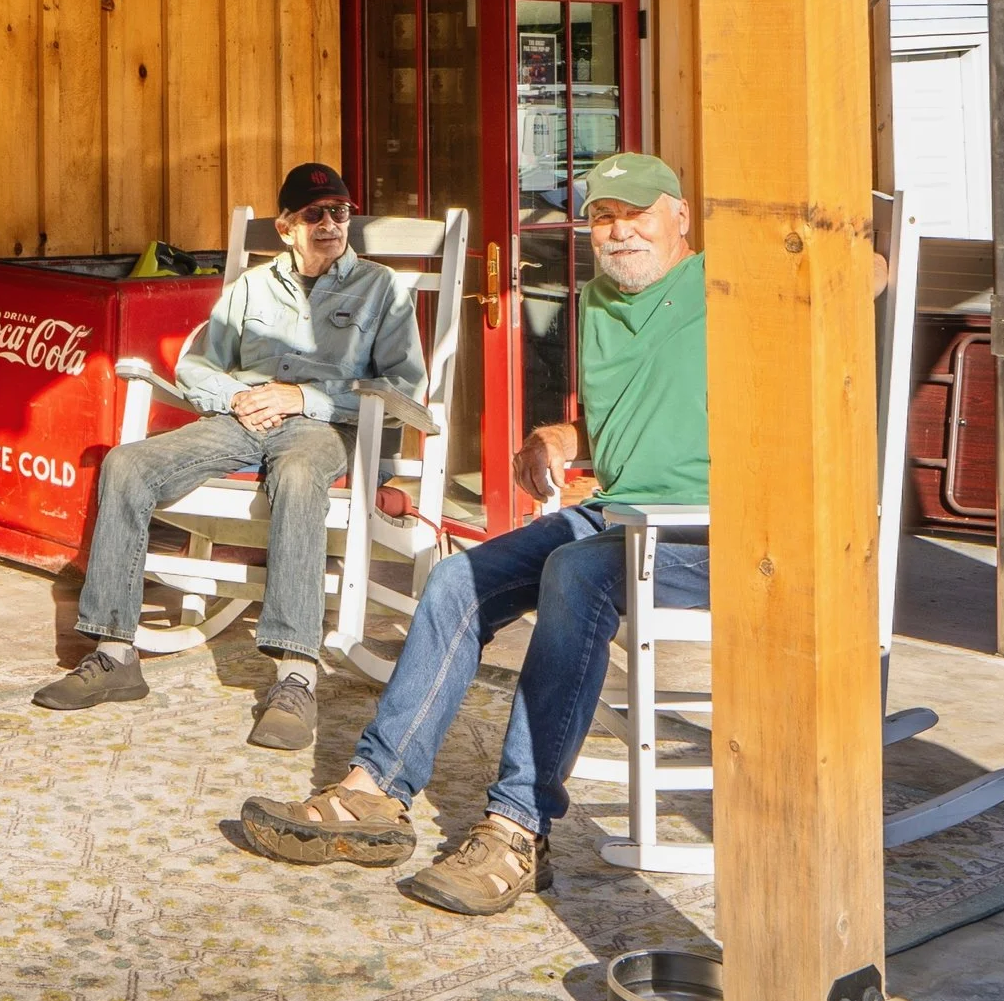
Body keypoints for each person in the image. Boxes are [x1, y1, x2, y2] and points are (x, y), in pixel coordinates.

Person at [236, 151, 706, 916]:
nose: (621, 231)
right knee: (457, 578)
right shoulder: (601, 301)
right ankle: (374, 792)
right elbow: (629, 423)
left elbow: (861, 275)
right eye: (604, 217)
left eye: (639, 212)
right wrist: (559, 439)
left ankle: (519, 830)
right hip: (620, 514)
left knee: (576, 576)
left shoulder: (725, 288)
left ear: (681, 215)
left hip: (709, 531)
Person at [32, 162, 427, 750]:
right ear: (286, 225)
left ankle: (295, 674)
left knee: (296, 477)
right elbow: (196, 365)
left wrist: (303, 396)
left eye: (340, 212)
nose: (329, 224)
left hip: (326, 428)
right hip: (240, 421)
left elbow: (406, 389)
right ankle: (115, 654)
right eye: (314, 214)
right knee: (126, 464)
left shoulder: (382, 288)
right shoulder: (251, 287)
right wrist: (237, 396)